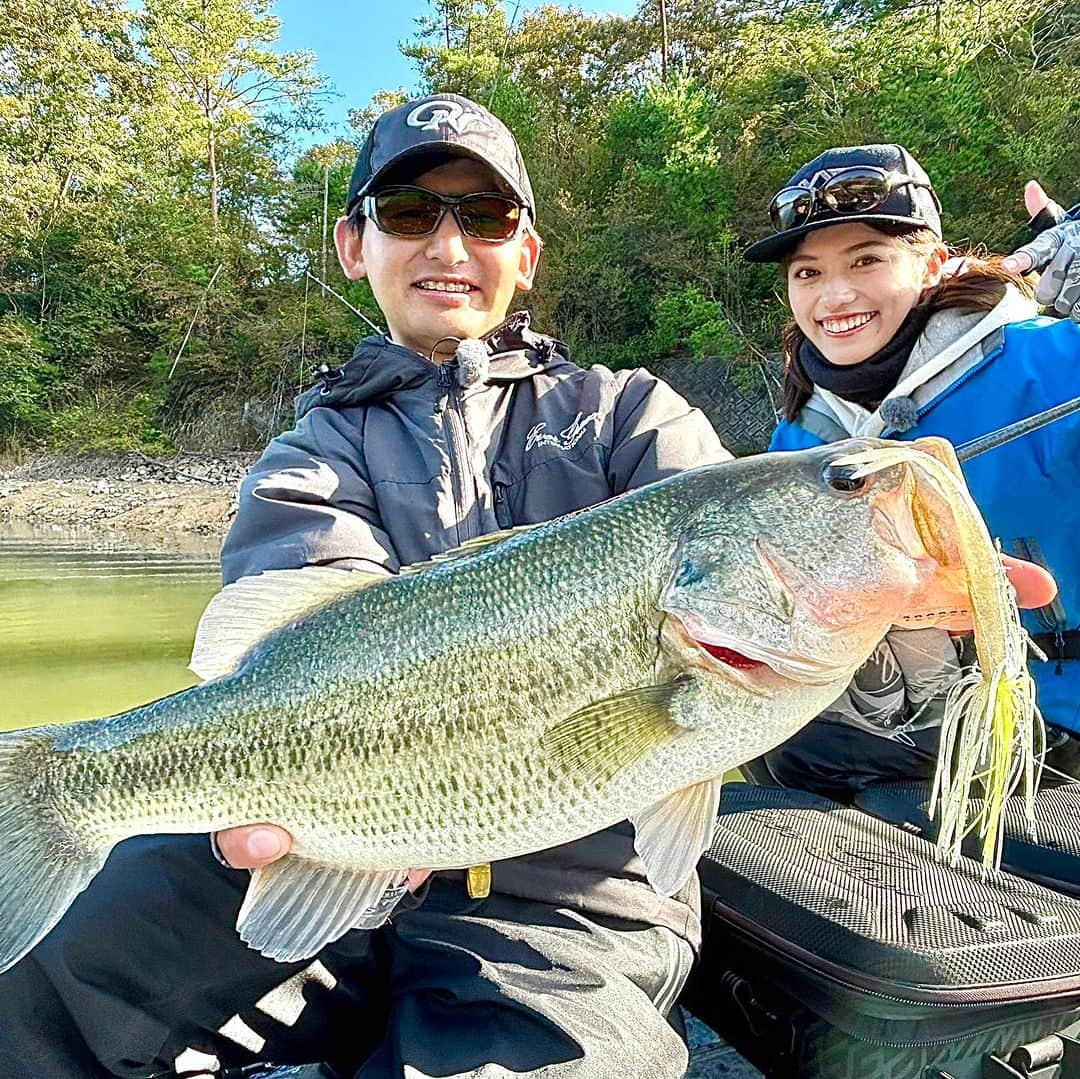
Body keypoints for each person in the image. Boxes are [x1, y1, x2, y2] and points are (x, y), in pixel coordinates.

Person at [0, 94, 733, 1079]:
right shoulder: (312, 452)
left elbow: (759, 598)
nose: (448, 242)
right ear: (354, 242)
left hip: (573, 899)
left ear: (527, 252)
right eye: (407, 211)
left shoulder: (635, 420)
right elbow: (305, 637)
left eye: (484, 216)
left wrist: (903, 615)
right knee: (39, 977)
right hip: (334, 843)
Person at [743, 143, 1080, 797]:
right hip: (914, 734)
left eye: (866, 260)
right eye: (807, 273)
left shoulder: (1056, 365)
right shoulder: (800, 439)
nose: (834, 294)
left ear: (930, 262)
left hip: (1062, 739)